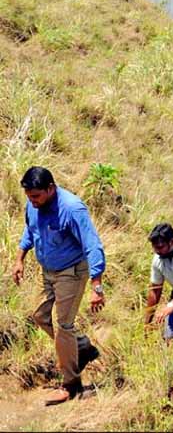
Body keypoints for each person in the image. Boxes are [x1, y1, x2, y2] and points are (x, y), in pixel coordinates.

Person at [12, 166, 105, 405]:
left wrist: (97, 286)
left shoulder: (72, 209)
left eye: (36, 196)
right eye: (29, 196)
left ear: (50, 189)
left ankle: (71, 384)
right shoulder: (34, 205)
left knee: (63, 325)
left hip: (72, 272)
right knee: (40, 315)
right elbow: (30, 230)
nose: (31, 201)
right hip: (48, 271)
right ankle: (82, 347)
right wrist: (19, 259)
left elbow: (92, 244)